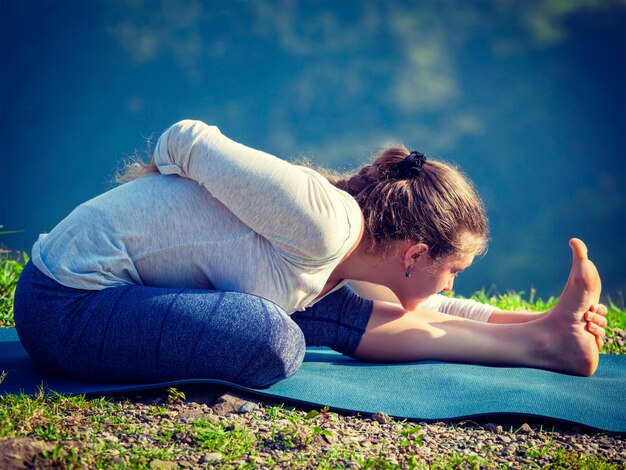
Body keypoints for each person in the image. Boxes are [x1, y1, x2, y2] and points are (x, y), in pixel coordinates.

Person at [13, 120, 606, 389]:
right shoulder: (325, 224)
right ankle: (542, 340)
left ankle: (542, 343)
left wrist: (544, 319)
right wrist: (158, 203)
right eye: (452, 271)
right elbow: (188, 138)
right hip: (68, 303)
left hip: (124, 296)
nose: (452, 286)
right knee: (273, 338)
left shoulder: (353, 255)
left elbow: (425, 313)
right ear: (414, 252)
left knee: (334, 311)